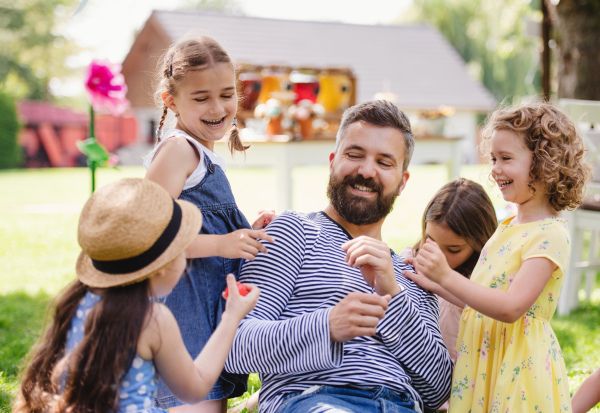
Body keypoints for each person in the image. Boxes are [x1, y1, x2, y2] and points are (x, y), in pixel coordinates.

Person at [225, 100, 453, 413]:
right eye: (354, 155)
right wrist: (327, 327)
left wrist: (391, 292)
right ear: (333, 161)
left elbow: (438, 389)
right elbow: (235, 345)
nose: (366, 171)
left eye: (384, 163)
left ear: (402, 182)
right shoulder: (292, 231)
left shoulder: (411, 273)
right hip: (314, 399)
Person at [406, 101, 593, 412]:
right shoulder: (508, 225)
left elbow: (511, 308)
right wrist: (435, 285)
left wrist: (446, 276)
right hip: (485, 358)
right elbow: (485, 303)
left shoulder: (549, 233)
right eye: (493, 158)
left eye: (506, 158)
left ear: (545, 164)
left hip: (517, 368)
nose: (494, 168)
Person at [13, 178, 259, 413]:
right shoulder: (153, 320)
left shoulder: (78, 300)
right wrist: (231, 317)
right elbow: (194, 389)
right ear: (164, 264)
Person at [144, 36, 274, 412]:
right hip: (182, 311)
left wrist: (243, 229)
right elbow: (148, 234)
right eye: (201, 98)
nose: (218, 108)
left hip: (203, 309)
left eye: (226, 94)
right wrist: (221, 244)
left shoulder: (201, 154)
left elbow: (202, 224)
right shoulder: (178, 150)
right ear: (171, 101)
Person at [401, 178, 497, 410]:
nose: (439, 257)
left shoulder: (485, 281)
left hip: (465, 393)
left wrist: (439, 282)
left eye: (453, 249)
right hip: (416, 387)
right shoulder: (410, 261)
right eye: (430, 241)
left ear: (480, 242)